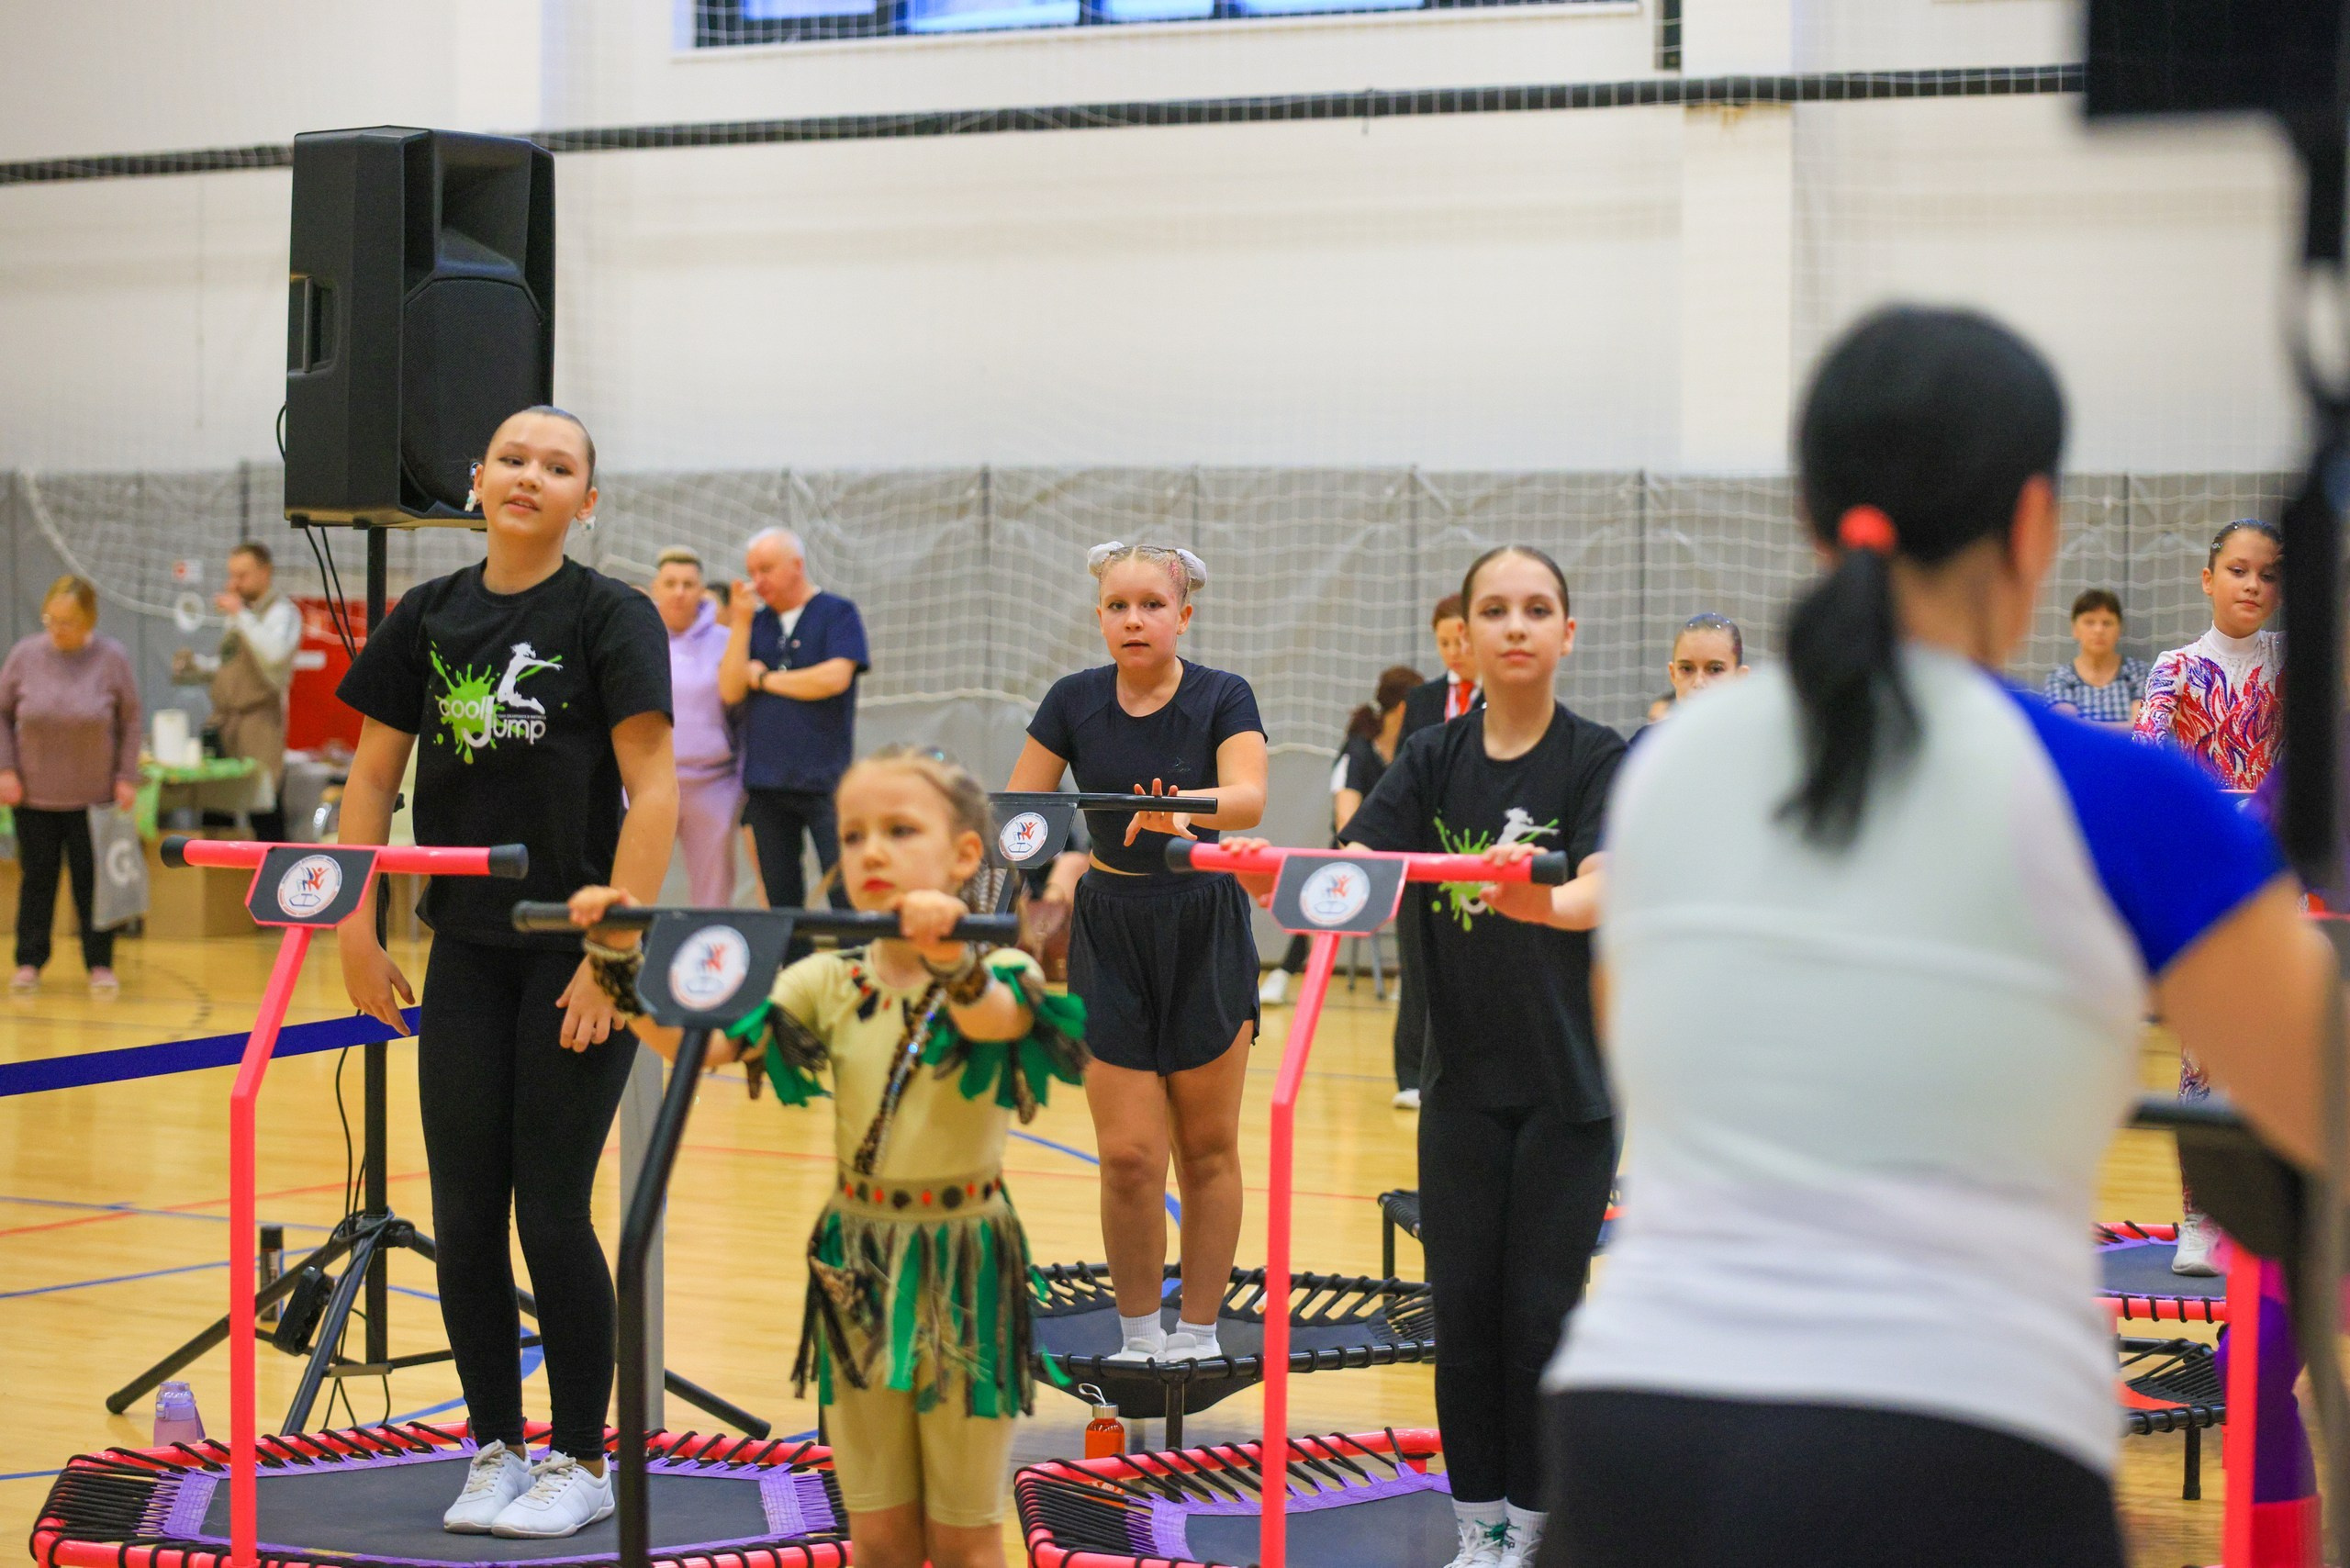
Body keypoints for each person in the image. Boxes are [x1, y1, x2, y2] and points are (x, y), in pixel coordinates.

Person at [1539, 307, 2332, 1568]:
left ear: (1812, 517)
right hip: (1966, 1449)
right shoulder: (2118, 799)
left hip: (1635, 1438)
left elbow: (1641, 1040)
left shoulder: (1670, 771)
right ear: (2032, 524)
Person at [567, 747, 1085, 1568]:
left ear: (962, 856)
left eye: (899, 830)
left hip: (963, 1268)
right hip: (858, 1264)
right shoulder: (827, 979)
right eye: (852, 835)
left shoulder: (1004, 966)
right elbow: (700, 1048)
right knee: (878, 1531)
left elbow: (992, 1019)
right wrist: (617, 959)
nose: (870, 850)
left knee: (964, 1534)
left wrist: (949, 955)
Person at [1229, 545, 1620, 1568]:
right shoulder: (1432, 755)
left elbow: (1597, 888)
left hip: (1568, 1094)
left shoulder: (1594, 756)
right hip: (1459, 1090)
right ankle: (1478, 1527)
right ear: (1468, 634)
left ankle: (1537, 1533)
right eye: (1496, 608)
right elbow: (1363, 862)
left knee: (1539, 1316)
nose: (1517, 625)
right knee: (1466, 1315)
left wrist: (1530, 893)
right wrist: (1292, 877)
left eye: (1538, 609)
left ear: (1566, 633)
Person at [334, 407, 678, 1540]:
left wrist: (610, 955)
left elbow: (654, 790)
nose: (531, 475)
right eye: (513, 458)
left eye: (560, 464)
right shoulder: (425, 614)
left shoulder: (610, 614)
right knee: (467, 1213)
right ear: (475, 478)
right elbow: (371, 781)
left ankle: (581, 1459)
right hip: (468, 953)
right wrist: (353, 925)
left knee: (551, 1209)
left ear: (590, 499)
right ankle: (493, 1449)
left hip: (578, 955)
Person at [1007, 541, 1268, 1363]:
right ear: (1099, 618)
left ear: (1182, 615)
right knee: (1126, 1156)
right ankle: (1136, 1337)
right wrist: (1006, 881)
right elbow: (1020, 812)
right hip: (1109, 925)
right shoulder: (1072, 701)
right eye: (1118, 606)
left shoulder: (1224, 696)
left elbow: (1249, 797)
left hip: (1204, 923)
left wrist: (1185, 810)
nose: (1134, 620)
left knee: (1206, 1146)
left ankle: (1196, 1332)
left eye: (1151, 605)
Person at [2134, 520, 2283, 1274]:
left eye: (2267, 573)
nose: (2253, 585)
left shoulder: (2293, 665)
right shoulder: (2178, 667)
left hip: (2276, 882)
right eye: (2237, 570)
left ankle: (2269, 1215)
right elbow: (2147, 743)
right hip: (2203, 882)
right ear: (2207, 578)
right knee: (2202, 1049)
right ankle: (2198, 1217)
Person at [722, 528, 869, 956]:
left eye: (765, 569)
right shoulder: (756, 621)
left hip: (825, 780)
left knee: (843, 890)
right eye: (751, 571)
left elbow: (833, 678)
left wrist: (765, 678)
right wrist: (741, 621)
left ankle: (857, 974)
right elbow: (730, 690)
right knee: (781, 900)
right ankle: (794, 986)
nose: (757, 581)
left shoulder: (836, 612)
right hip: (766, 783)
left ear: (797, 566)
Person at [0, 576, 140, 997]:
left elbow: (130, 720)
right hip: (34, 795)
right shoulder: (25, 656)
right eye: (51, 619)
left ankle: (100, 963)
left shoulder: (112, 658)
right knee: (37, 879)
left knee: (93, 884)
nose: (58, 629)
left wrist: (126, 776)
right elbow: (2, 715)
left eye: (68, 622)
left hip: (94, 797)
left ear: (89, 620)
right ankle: (29, 961)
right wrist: (6, 769)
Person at [1258, 663, 1422, 1018]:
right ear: (1407, 707)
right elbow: (1347, 818)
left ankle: (1411, 981)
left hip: (1405, 850)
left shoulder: (1414, 750)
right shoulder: (1359, 750)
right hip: (1357, 849)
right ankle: (1284, 974)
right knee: (1319, 888)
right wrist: (1362, 858)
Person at [1386, 593, 1483, 1107]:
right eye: (1443, 642)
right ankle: (1409, 1076)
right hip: (1423, 853)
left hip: (1480, 853)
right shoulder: (1422, 702)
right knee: (1417, 967)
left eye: (1461, 639)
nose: (1453, 651)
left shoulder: (1499, 697)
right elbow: (1404, 776)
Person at [172, 541, 303, 843]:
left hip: (259, 725)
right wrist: (198, 666)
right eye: (231, 575)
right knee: (217, 808)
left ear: (265, 572)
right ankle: (217, 885)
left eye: (242, 575)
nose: (233, 584)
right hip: (225, 723)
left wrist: (241, 615)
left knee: (264, 811)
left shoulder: (283, 613)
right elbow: (229, 664)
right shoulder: (242, 614)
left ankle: (274, 883)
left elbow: (274, 654)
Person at [651, 547, 744, 905]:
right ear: (655, 588)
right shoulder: (638, 639)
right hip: (650, 783)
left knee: (714, 891)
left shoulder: (725, 642)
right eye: (670, 583)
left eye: (688, 584)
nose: (679, 592)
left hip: (712, 782)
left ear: (701, 590)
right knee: (634, 882)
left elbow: (738, 701)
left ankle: (712, 960)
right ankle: (629, 959)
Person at [1632, 613, 1750, 747]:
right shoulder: (1647, 745)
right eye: (1687, 669)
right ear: (1673, 674)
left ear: (1740, 678)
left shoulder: (1764, 746)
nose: (1699, 682)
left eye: (1715, 669)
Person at [2042, 588, 2147, 728]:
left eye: (2107, 623)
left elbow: (2141, 729)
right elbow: (2067, 729)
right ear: (2075, 629)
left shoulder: (2138, 672)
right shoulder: (2060, 677)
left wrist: (2086, 727)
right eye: (2089, 622)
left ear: (2119, 629)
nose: (2099, 630)